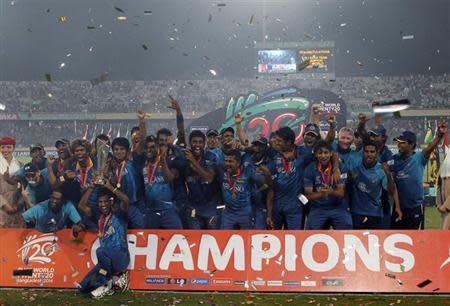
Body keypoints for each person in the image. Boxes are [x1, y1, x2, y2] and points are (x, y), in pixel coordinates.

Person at [389, 122, 448, 229]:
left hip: (414, 207)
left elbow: (430, 146)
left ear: (411, 145)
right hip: (398, 207)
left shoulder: (419, 158)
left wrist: (439, 135)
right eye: (398, 142)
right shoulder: (394, 159)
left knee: (413, 238)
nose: (399, 144)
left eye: (402, 142)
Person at [78, 184, 130, 299]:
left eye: (105, 202)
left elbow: (125, 199)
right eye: (100, 202)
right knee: (83, 287)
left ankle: (106, 284)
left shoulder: (119, 214)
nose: (103, 205)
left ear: (111, 202)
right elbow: (81, 206)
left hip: (120, 256)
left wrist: (109, 186)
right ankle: (114, 280)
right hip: (106, 262)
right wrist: (91, 187)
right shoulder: (98, 217)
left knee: (100, 251)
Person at [349, 141, 401, 229]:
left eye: (372, 152)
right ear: (363, 153)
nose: (369, 154)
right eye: (366, 151)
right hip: (357, 213)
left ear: (377, 153)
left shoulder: (381, 170)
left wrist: (388, 174)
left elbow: (391, 190)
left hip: (375, 214)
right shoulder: (355, 166)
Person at [217, 149, 272, 229]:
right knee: (225, 238)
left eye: (230, 161)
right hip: (228, 213)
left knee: (247, 238)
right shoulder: (221, 171)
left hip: (245, 213)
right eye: (226, 161)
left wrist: (268, 174)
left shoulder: (247, 172)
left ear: (238, 163)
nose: (227, 164)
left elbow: (266, 184)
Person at [303, 140, 352, 230]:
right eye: (320, 153)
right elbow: (308, 196)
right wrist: (322, 194)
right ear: (316, 155)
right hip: (318, 208)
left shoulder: (341, 168)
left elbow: (341, 193)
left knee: (347, 226)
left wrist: (330, 192)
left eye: (326, 153)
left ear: (331, 153)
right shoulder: (309, 169)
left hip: (338, 207)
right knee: (310, 231)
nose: (323, 156)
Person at [136, 135, 182, 229]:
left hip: (168, 210)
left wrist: (163, 160)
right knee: (149, 240)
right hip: (151, 211)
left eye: (152, 147)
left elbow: (169, 178)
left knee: (178, 236)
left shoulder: (169, 161)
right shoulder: (142, 166)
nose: (149, 150)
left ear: (158, 148)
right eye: (147, 148)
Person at [268, 127, 305, 229]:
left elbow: (327, 147)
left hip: (295, 205)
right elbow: (270, 187)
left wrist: (336, 167)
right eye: (276, 140)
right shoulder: (273, 154)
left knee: (294, 238)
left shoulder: (301, 153)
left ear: (289, 142)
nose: (276, 143)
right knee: (275, 239)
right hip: (277, 205)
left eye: (279, 141)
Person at [183, 130, 220, 229]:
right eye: (194, 142)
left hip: (210, 205)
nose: (197, 145)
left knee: (212, 238)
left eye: (200, 142)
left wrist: (193, 161)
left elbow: (208, 178)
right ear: (190, 143)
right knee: (195, 238)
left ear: (204, 144)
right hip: (193, 206)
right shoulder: (184, 158)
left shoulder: (211, 157)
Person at [107, 137, 144, 229]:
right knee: (119, 231)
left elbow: (141, 147)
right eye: (116, 149)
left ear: (127, 150)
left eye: (122, 149)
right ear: (112, 151)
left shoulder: (134, 163)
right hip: (120, 205)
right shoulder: (113, 167)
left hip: (135, 205)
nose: (119, 152)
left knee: (140, 231)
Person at [0, 136, 25, 228]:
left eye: (8, 147)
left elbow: (23, 187)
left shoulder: (20, 165)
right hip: (2, 210)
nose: (5, 150)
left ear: (13, 148)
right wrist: (4, 205)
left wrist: (18, 204)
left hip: (17, 210)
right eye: (2, 147)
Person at [436, 148, 450, 229]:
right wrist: (439, 202)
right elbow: (440, 182)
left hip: (447, 208)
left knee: (444, 235)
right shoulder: (447, 155)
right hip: (445, 209)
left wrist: (445, 206)